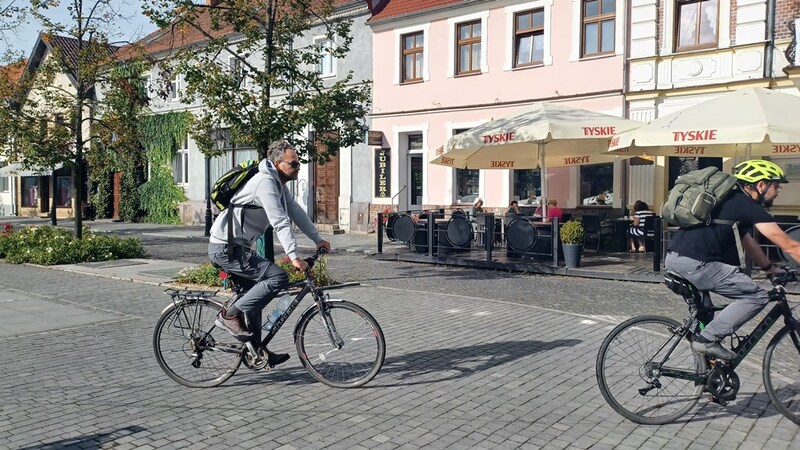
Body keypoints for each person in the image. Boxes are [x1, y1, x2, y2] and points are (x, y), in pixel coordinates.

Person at [208, 139, 331, 367]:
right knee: (277, 277)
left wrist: (318, 239)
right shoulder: (265, 183)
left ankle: (257, 351)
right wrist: (294, 257)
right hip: (225, 248)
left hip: (237, 247)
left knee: (254, 298)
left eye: (298, 163)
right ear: (278, 163)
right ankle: (228, 316)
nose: (298, 167)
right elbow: (280, 222)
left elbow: (295, 212)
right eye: (293, 164)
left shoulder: (278, 185)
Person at [665, 160, 800, 361]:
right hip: (699, 264)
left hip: (676, 258)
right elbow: (790, 245)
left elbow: (748, 241)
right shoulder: (746, 205)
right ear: (761, 185)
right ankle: (708, 340)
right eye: (776, 184)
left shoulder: (730, 200)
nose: (778, 190)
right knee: (756, 296)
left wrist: (769, 267)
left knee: (704, 318)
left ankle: (706, 380)